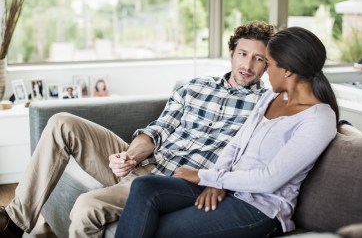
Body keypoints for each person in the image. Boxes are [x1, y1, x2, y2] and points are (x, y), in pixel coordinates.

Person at [0, 21, 274, 238]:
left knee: (86, 206)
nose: (248, 65)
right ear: (232, 53)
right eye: (243, 54)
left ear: (268, 64)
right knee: (62, 122)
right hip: (146, 162)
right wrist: (129, 156)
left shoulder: (265, 107)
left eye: (259, 59)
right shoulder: (194, 86)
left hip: (168, 183)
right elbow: (160, 129)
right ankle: (14, 223)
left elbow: (248, 160)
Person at [115, 27, 339, 238]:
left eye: (268, 63)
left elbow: (269, 180)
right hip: (228, 187)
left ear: (287, 70)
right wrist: (216, 183)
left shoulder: (318, 119)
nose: (265, 71)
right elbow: (236, 145)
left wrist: (206, 176)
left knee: (155, 229)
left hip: (258, 208)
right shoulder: (270, 97)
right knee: (145, 186)